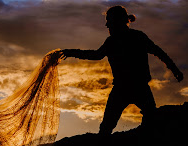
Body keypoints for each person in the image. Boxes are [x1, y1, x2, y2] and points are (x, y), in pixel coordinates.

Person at [61, 5, 183, 135]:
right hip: (129, 88)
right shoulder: (121, 40)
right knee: (111, 127)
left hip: (130, 89)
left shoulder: (131, 38)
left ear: (117, 21)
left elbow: (158, 52)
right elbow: (159, 52)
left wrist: (174, 69)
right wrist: (70, 52)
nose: (106, 25)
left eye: (108, 21)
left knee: (109, 129)